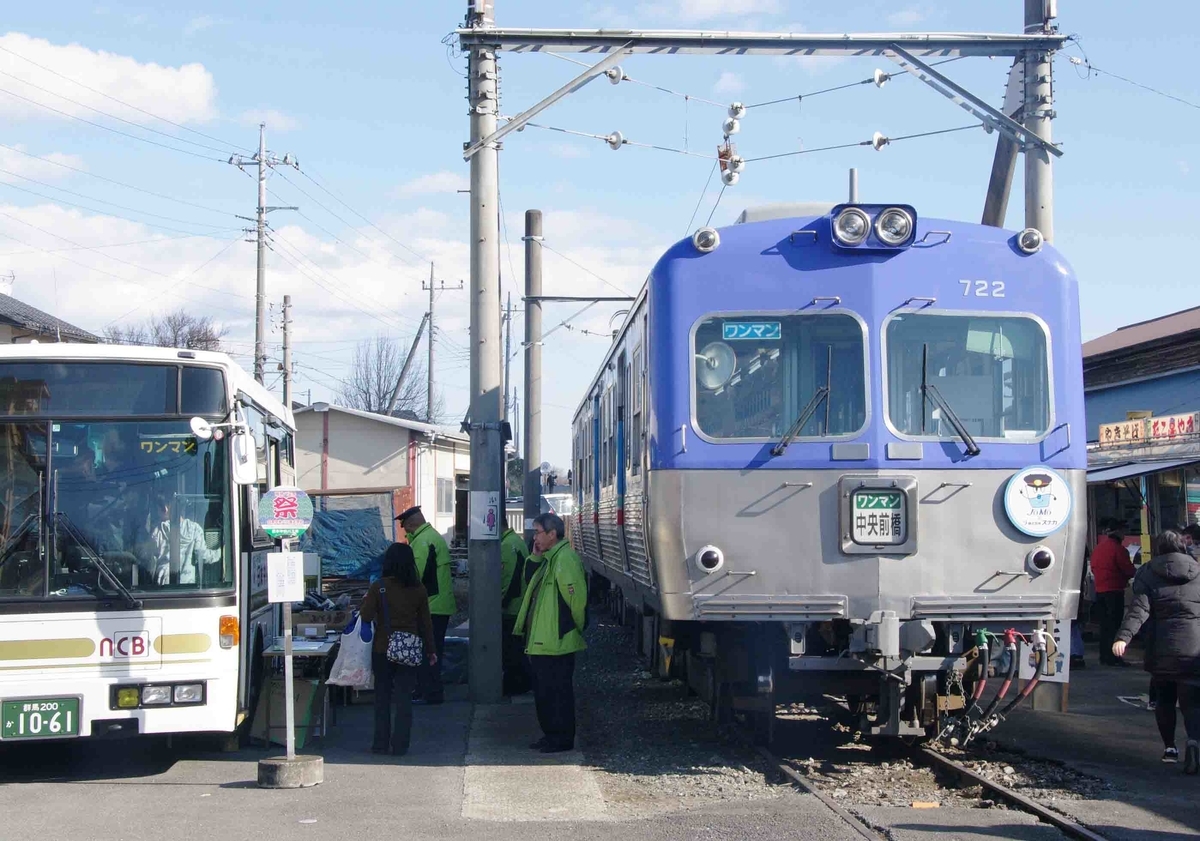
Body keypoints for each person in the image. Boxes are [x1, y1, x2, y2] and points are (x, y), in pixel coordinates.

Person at [1113, 529, 1200, 773]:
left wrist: (1123, 637)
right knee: (1192, 700)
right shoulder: (1197, 570)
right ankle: (1194, 740)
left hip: (1161, 647)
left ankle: (1170, 748)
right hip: (1194, 647)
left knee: (1164, 699)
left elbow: (1139, 610)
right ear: (1182, 546)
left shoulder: (1149, 572)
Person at [514, 512, 587, 753]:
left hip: (556, 641)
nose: (534, 537)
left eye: (538, 532)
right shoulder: (549, 558)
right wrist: (535, 555)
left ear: (552, 534)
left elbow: (576, 601)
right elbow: (528, 579)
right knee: (545, 693)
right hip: (544, 641)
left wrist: (572, 628)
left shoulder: (564, 559)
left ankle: (561, 739)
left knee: (557, 694)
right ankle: (551, 735)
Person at [359, 543, 437, 756]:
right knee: (404, 699)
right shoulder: (419, 589)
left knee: (382, 698)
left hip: (382, 649)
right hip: (409, 649)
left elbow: (365, 617)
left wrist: (367, 604)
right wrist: (431, 650)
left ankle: (380, 744)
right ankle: (401, 745)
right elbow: (425, 623)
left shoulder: (379, 587)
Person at [396, 505, 454, 704]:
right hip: (439, 604)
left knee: (427, 652)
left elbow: (416, 575)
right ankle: (427, 690)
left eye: (406, 528)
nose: (406, 532)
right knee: (431, 650)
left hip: (431, 606)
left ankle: (429, 693)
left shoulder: (422, 542)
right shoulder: (433, 537)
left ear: (412, 524)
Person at [142, 493, 220, 586]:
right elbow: (202, 556)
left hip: (161, 585)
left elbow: (147, 558)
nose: (158, 514)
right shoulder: (195, 529)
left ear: (166, 508)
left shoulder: (158, 531)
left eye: (158, 509)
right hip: (186, 585)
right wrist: (220, 552)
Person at [1092, 518, 1136, 666]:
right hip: (1114, 591)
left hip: (1100, 590)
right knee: (1114, 626)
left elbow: (1093, 567)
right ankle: (1113, 657)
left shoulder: (1099, 548)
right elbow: (1129, 570)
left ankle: (1104, 656)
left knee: (1104, 626)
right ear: (1119, 532)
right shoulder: (1118, 549)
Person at [500, 524, 538, 695]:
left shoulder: (507, 545)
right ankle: (521, 682)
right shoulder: (516, 541)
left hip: (512, 607)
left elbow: (508, 580)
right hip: (518, 604)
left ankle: (519, 684)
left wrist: (500, 602)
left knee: (511, 650)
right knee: (515, 648)